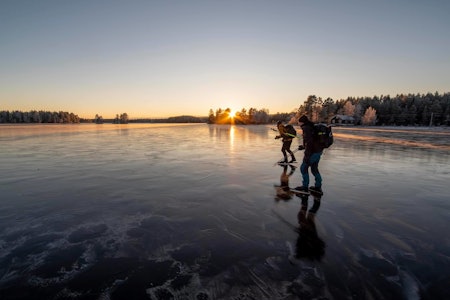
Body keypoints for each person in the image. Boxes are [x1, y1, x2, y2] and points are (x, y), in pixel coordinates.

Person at [295, 115, 323, 195]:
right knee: (314, 169)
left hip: (312, 153)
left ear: (302, 122)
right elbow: (312, 141)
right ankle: (318, 186)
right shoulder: (311, 127)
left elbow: (310, 143)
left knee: (303, 168)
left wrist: (307, 155)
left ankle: (305, 187)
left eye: (299, 121)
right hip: (318, 151)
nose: (298, 123)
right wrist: (303, 146)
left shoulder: (306, 128)